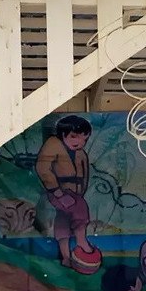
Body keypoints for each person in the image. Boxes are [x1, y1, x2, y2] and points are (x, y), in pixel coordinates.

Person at [35, 115, 97, 269]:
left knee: (63, 220)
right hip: (58, 190)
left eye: (84, 139)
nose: (79, 142)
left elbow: (85, 173)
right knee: (80, 209)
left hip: (75, 192)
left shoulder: (80, 153)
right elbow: (43, 168)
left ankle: (66, 257)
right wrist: (58, 193)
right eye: (74, 137)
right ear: (63, 135)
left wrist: (81, 191)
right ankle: (82, 241)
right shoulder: (53, 145)